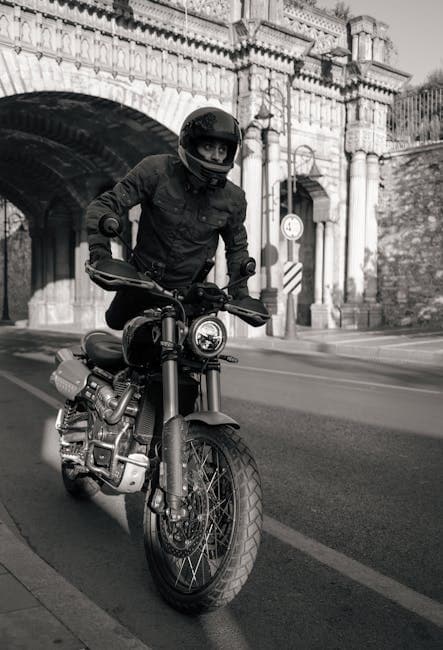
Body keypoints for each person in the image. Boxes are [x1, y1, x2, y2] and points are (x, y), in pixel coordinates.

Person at [86, 106, 268, 330]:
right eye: (208, 146)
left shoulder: (234, 199)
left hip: (190, 296)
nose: (216, 155)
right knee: (120, 327)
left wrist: (240, 295)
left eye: (222, 150)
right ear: (191, 144)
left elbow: (237, 248)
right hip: (141, 283)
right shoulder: (156, 171)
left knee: (202, 353)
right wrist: (101, 256)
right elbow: (104, 205)